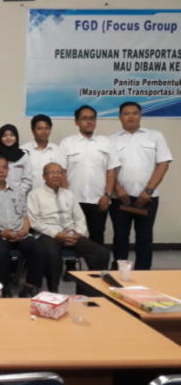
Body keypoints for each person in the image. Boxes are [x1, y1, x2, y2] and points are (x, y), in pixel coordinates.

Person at [109, 101, 173, 270]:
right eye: (126, 113)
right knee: (120, 236)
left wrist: (148, 191)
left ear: (140, 115)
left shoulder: (155, 136)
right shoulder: (112, 139)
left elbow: (163, 164)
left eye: (135, 113)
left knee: (144, 237)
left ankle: (143, 272)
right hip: (120, 198)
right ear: (120, 117)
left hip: (147, 197)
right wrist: (118, 188)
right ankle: (119, 271)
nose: (131, 116)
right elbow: (108, 168)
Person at [27, 163, 109, 292]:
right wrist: (57, 234)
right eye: (51, 172)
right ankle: (54, 291)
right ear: (44, 176)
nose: (56, 175)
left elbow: (79, 218)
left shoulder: (69, 194)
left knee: (101, 253)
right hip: (48, 234)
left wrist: (78, 234)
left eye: (59, 172)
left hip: (72, 234)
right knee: (53, 255)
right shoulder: (35, 194)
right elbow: (34, 222)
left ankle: (89, 292)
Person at [0, 155, 45, 298]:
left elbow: (25, 214)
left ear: (8, 170)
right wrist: (0, 232)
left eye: (4, 167)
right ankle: (4, 287)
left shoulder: (18, 190)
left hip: (19, 233)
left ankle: (30, 286)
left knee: (38, 249)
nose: (1, 170)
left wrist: (24, 231)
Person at [59, 105, 120, 247]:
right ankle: (71, 267)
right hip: (74, 199)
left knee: (97, 235)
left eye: (92, 118)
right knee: (71, 236)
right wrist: (66, 196)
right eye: (84, 118)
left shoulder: (106, 142)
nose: (89, 121)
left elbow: (111, 170)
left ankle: (97, 268)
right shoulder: (67, 143)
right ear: (76, 121)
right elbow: (62, 171)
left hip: (98, 200)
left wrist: (108, 195)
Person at [21, 114, 67, 189]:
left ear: (50, 130)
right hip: (28, 197)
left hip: (51, 197)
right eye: (39, 128)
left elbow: (63, 177)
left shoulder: (57, 150)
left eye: (47, 128)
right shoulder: (23, 150)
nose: (44, 132)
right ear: (33, 130)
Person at [0, 124, 32, 196]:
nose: (8, 138)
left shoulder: (24, 155)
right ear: (0, 138)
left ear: (16, 137)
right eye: (4, 135)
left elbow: (27, 179)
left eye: (12, 135)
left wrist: (17, 193)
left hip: (17, 195)